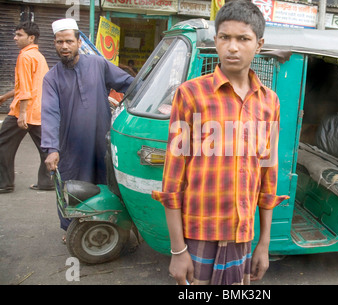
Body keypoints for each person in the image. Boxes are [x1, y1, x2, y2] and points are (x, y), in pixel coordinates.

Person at [152, 0, 289, 285]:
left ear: (259, 44)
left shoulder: (269, 102)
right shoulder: (191, 95)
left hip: (242, 235)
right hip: (198, 233)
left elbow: (268, 175)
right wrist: (178, 250)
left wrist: (263, 244)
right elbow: (172, 179)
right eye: (225, 37)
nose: (233, 47)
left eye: (243, 38)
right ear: (215, 41)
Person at [41, 18, 134, 238]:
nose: (64, 47)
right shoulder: (51, 78)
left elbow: (128, 83)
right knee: (72, 186)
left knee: (107, 182)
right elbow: (50, 113)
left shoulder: (97, 64)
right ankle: (71, 230)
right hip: (70, 145)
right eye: (59, 42)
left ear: (78, 41)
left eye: (69, 41)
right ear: (54, 43)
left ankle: (113, 227)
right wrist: (51, 148)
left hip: (102, 140)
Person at [0, 21, 52, 194]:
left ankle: (4, 183)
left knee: (3, 145)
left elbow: (25, 89)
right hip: (38, 110)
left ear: (31, 38)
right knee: (46, 147)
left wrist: (22, 113)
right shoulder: (39, 56)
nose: (15, 38)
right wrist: (5, 96)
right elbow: (26, 85)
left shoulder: (24, 56)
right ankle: (47, 181)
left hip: (23, 112)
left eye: (19, 35)